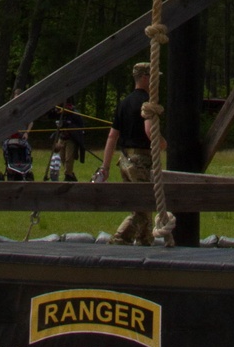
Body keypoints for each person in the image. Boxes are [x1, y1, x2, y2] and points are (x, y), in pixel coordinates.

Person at [96, 63, 164, 245]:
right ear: (144, 78)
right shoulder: (147, 103)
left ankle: (144, 242)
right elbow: (150, 131)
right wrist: (165, 144)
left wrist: (105, 167)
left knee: (139, 207)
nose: (156, 81)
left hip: (125, 161)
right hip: (141, 161)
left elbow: (112, 136)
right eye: (154, 77)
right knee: (142, 209)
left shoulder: (124, 103)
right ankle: (119, 239)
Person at [56, 99, 85, 182]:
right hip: (62, 137)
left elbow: (80, 126)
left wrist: (70, 127)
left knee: (69, 158)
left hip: (71, 139)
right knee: (62, 157)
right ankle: (70, 174)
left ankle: (68, 175)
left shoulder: (75, 113)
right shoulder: (60, 112)